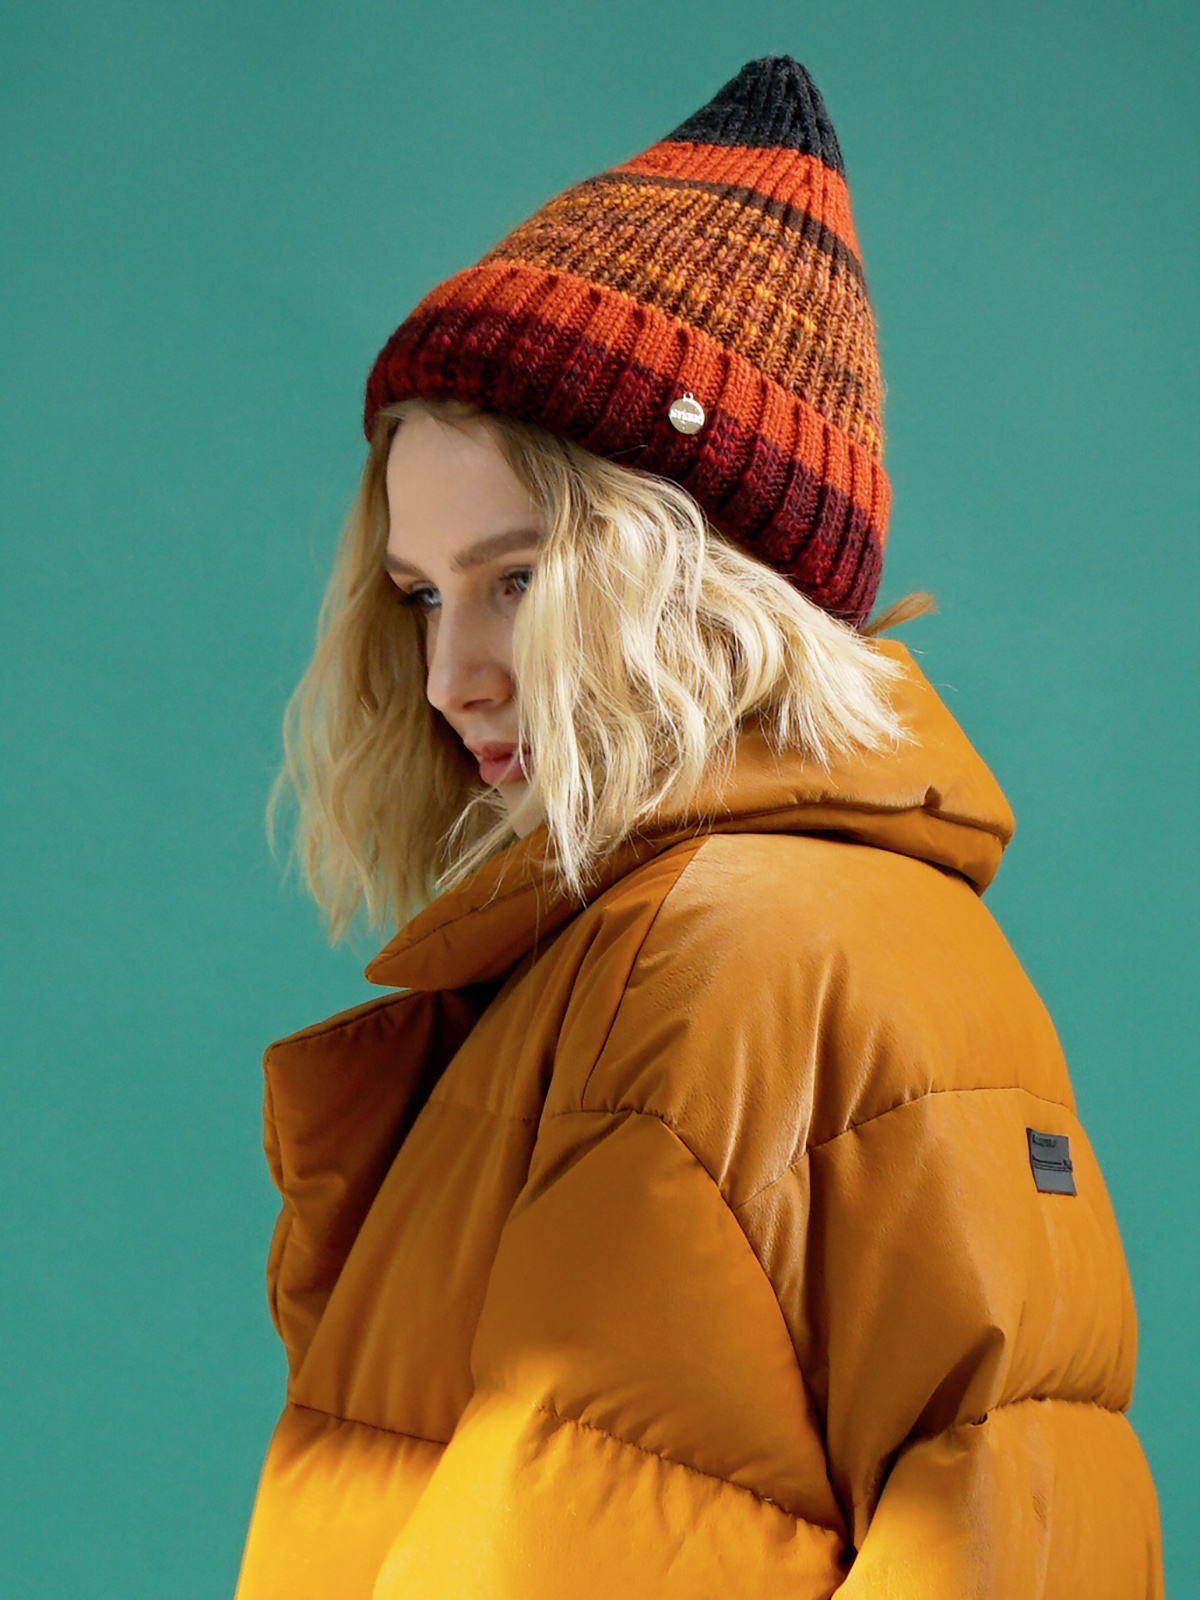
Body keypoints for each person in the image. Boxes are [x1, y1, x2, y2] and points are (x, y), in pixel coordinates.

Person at [236, 56, 1162, 1598]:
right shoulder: (747, 935)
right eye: (422, 595)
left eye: (518, 579)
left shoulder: (713, 956)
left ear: (706, 576)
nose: (452, 676)